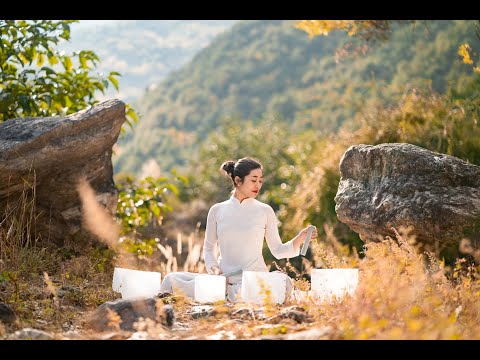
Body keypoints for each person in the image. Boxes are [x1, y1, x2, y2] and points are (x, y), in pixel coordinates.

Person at [159, 157, 317, 301]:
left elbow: (278, 250)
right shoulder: (217, 210)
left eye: (261, 181)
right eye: (253, 180)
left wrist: (299, 240)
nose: (258, 185)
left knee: (283, 282)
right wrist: (215, 272)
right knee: (171, 279)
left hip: (254, 280)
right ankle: (227, 293)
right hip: (223, 280)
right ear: (238, 180)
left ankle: (227, 295)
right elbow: (208, 249)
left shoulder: (265, 210)